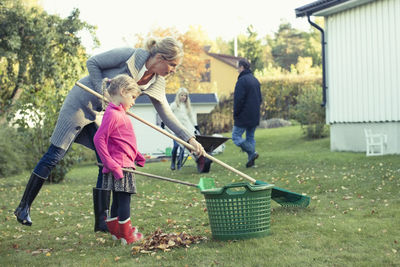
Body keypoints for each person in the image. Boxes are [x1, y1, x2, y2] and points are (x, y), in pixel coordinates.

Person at [14, 37, 206, 232]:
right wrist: (103, 93)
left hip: (102, 115)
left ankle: (101, 221)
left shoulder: (157, 82)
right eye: (172, 65)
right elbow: (93, 62)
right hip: (81, 102)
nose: (173, 70)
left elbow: (168, 114)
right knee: (55, 154)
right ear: (160, 57)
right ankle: (23, 207)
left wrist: (189, 139)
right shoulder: (131, 55)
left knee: (104, 162)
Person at [94, 74, 144, 245]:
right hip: (120, 166)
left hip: (123, 162)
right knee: (124, 200)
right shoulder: (113, 114)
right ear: (123, 92)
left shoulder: (119, 113)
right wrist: (110, 163)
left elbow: (123, 139)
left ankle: (117, 232)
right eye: (133, 97)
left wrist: (136, 155)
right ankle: (127, 236)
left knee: (117, 200)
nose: (134, 102)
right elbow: (98, 139)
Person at [232, 58, 262, 168]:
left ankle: (252, 152)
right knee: (250, 137)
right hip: (254, 115)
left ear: (241, 67)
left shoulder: (241, 81)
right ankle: (251, 162)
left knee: (235, 137)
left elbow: (238, 100)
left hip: (243, 115)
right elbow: (260, 99)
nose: (237, 70)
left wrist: (236, 113)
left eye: (237, 68)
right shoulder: (255, 80)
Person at [169, 87, 199, 170]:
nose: (183, 97)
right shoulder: (174, 105)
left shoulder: (187, 106)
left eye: (185, 96)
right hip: (176, 129)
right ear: (178, 96)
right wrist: (163, 122)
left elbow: (191, 116)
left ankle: (179, 165)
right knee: (176, 146)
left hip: (184, 130)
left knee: (183, 147)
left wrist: (195, 125)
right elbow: (167, 113)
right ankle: (173, 163)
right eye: (181, 95)